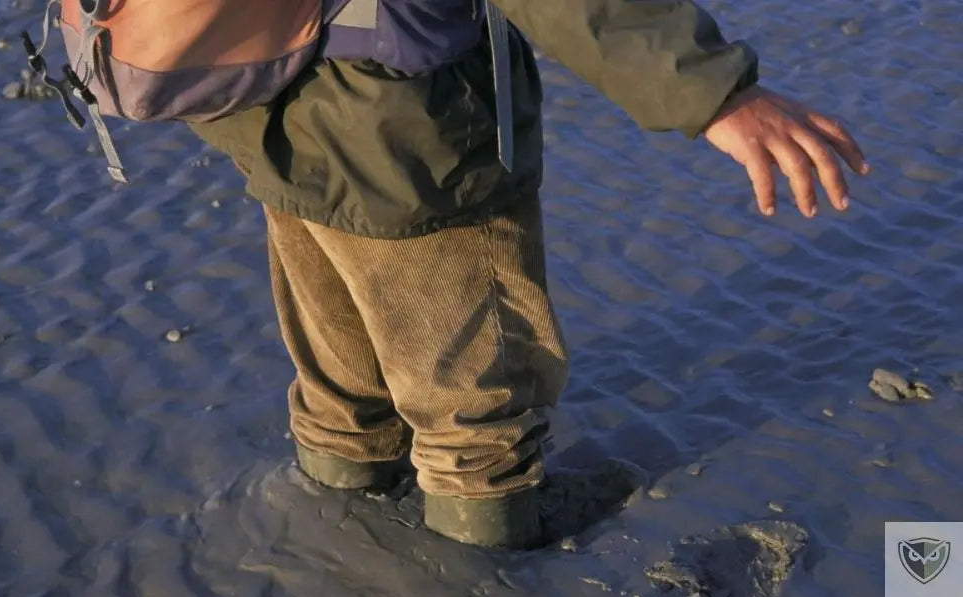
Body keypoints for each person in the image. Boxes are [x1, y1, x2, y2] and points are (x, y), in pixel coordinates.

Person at [188, 0, 869, 549]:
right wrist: (712, 90)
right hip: (399, 124)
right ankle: (484, 528)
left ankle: (344, 475)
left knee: (337, 329)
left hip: (251, 93)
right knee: (470, 367)